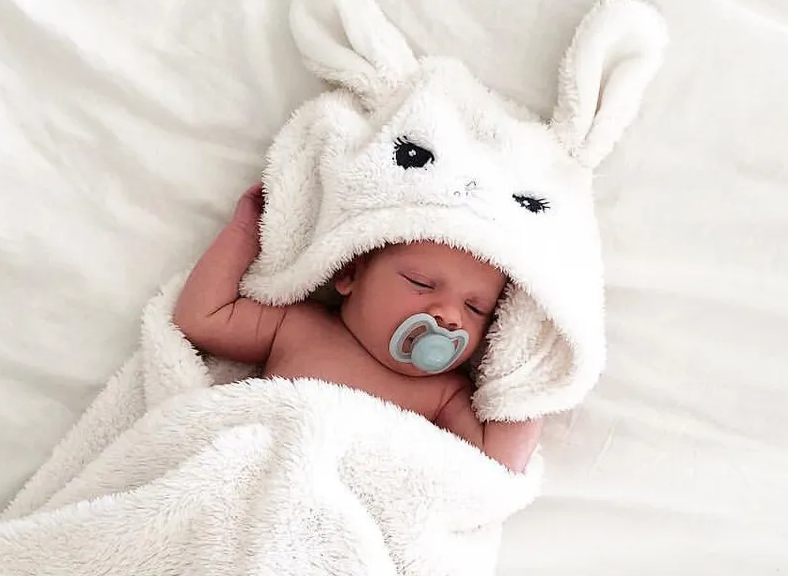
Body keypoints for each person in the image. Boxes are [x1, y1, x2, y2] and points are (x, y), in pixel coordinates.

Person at [174, 184, 541, 472]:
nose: (449, 316)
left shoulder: (444, 393)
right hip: (265, 475)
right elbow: (202, 319)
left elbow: (499, 466)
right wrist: (245, 232)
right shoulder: (297, 327)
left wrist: (530, 343)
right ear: (350, 274)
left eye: (475, 309)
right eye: (421, 283)